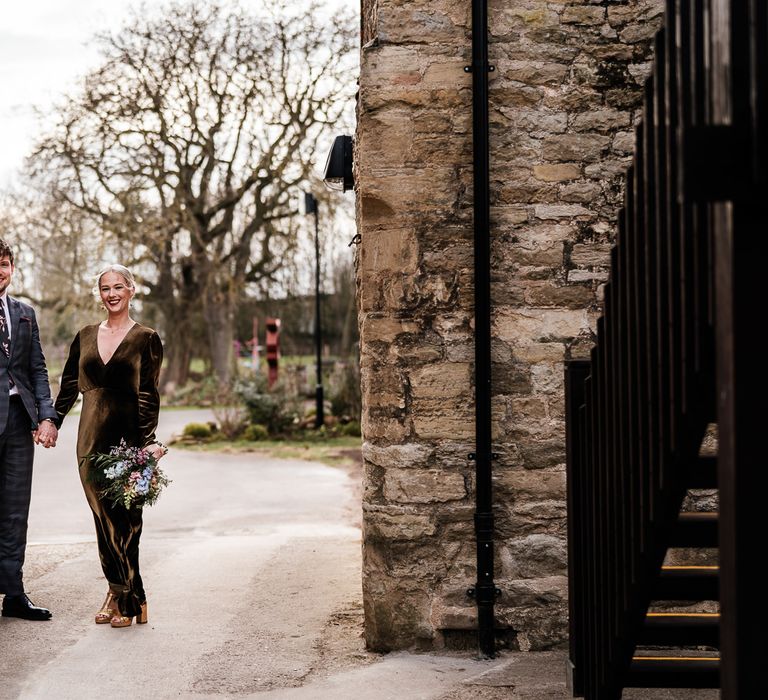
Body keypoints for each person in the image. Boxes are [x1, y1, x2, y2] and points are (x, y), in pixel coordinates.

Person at [54, 264, 164, 628]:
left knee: (126, 521)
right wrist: (52, 421)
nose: (112, 293)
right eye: (105, 288)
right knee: (103, 519)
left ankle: (125, 595)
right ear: (99, 295)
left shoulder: (146, 338)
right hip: (89, 443)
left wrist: (148, 445)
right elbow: (70, 385)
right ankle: (125, 594)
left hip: (127, 443)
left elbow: (149, 395)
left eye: (119, 286)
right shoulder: (84, 335)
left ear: (132, 291)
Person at [0, 238, 58, 621]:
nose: (0, 271)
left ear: (12, 268)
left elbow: (36, 369)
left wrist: (47, 416)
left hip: (20, 423)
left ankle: (14, 595)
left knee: (15, 513)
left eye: (4, 263)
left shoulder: (25, 313)